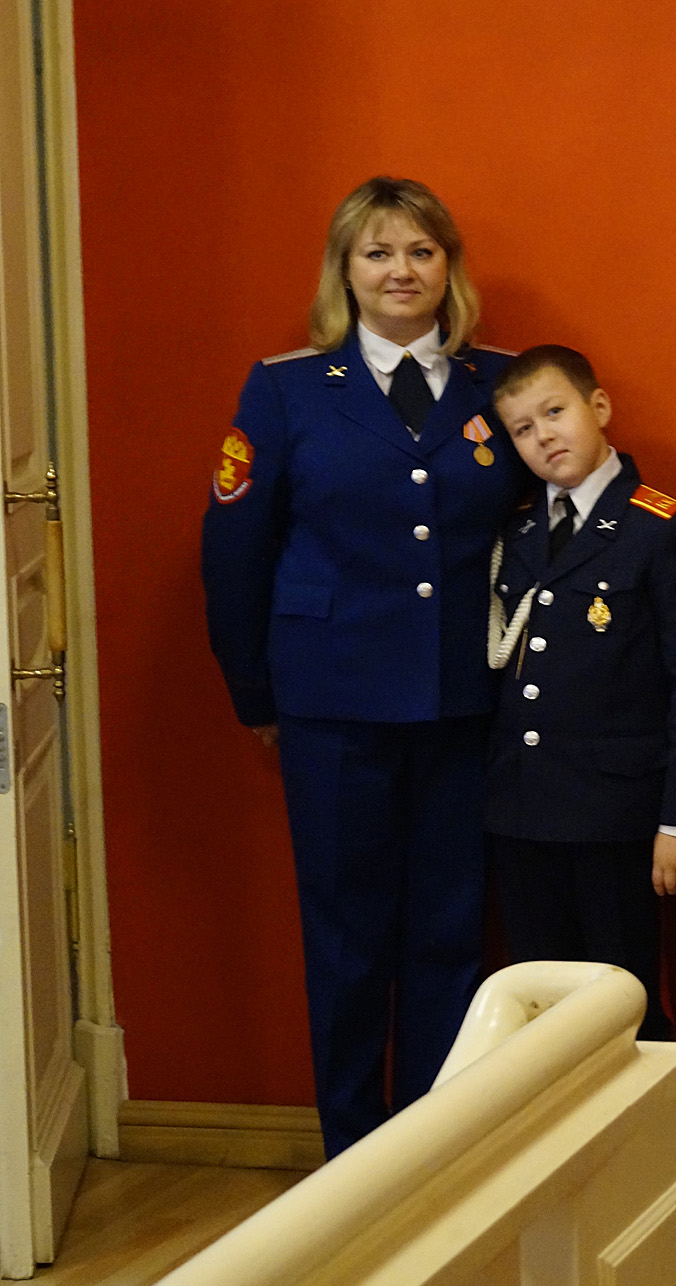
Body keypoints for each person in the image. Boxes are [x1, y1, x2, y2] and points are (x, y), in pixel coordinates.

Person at [201, 177, 527, 1157]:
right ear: (344, 271)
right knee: (346, 939)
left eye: (421, 251)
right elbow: (234, 552)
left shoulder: (499, 383)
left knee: (448, 934)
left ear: (448, 267)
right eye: (378, 252)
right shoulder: (288, 388)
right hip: (331, 704)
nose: (401, 271)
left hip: (461, 701)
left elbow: (575, 492)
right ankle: (354, 1157)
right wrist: (254, 693)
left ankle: (431, 1150)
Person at [482, 345, 676, 1042]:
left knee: (624, 998)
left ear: (599, 406)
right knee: (539, 1004)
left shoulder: (663, 526)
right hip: (523, 808)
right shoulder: (517, 528)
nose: (543, 436)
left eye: (555, 412)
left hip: (616, 813)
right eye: (522, 429)